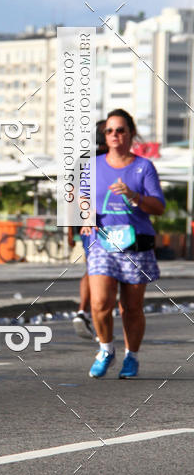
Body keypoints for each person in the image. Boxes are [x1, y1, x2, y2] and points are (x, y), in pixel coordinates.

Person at [81, 109, 165, 379]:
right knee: (100, 303)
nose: (114, 135)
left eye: (120, 130)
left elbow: (159, 207)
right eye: (109, 130)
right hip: (102, 242)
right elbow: (81, 198)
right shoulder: (93, 166)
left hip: (136, 243)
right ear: (104, 135)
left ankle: (132, 356)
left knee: (131, 307)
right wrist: (85, 215)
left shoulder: (144, 167)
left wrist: (133, 195)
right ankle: (106, 349)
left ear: (131, 134)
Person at [72, 120, 108, 339]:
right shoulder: (114, 161)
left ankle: (83, 311)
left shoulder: (83, 159)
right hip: (109, 223)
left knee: (92, 268)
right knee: (108, 274)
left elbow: (71, 195)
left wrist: (70, 229)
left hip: (85, 224)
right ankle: (97, 319)